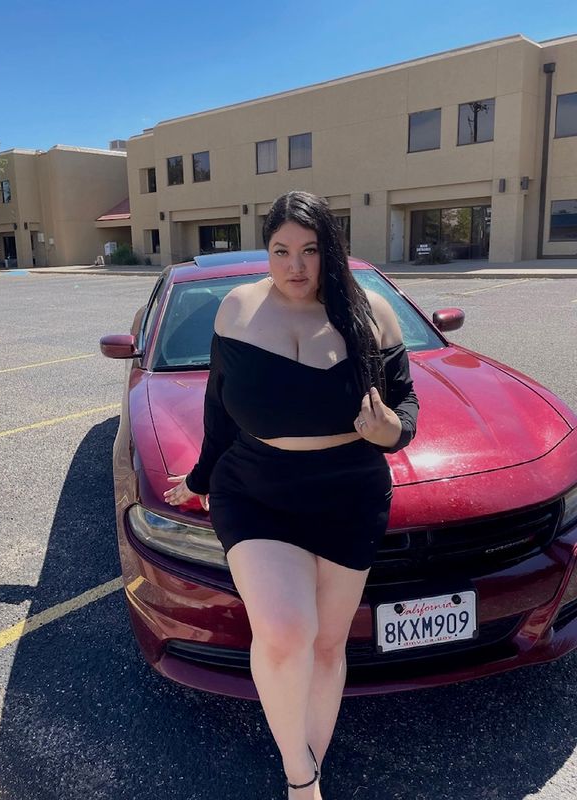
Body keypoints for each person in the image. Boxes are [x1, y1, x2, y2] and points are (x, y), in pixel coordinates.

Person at [163, 190, 419, 798]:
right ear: (267, 252)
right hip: (256, 490)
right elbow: (218, 411)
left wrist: (392, 432)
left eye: (309, 250)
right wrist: (200, 478)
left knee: (327, 646)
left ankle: (311, 774)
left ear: (331, 250)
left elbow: (405, 404)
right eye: (281, 251)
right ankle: (300, 779)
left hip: (349, 496)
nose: (295, 266)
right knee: (284, 632)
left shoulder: (372, 313)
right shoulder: (237, 309)